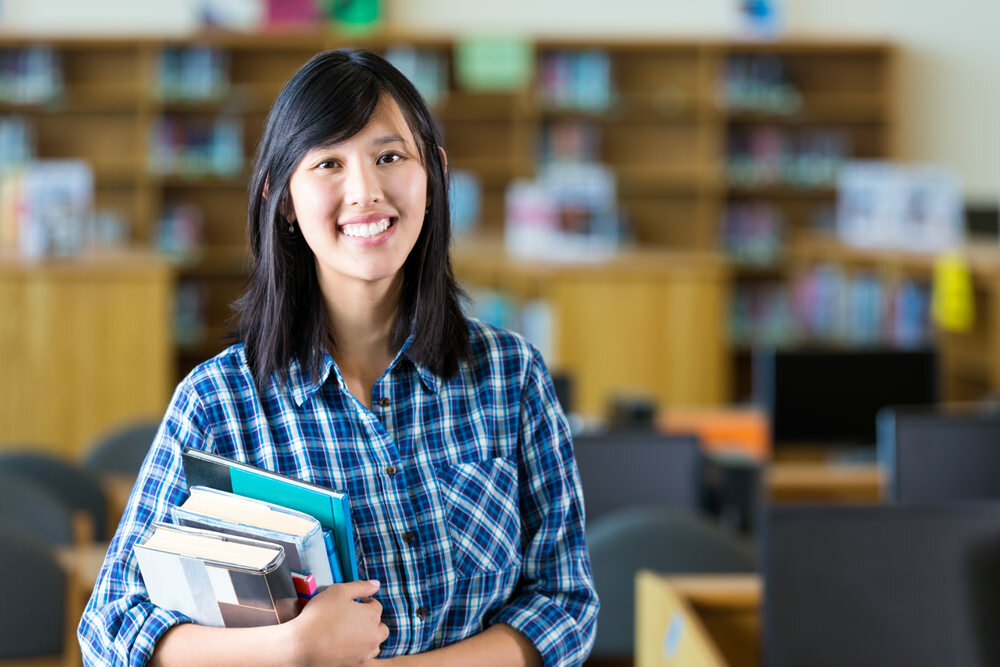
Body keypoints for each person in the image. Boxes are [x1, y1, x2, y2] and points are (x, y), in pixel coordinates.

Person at [78, 48, 598, 666]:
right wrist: (293, 648)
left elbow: (564, 603)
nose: (366, 191)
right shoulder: (219, 403)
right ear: (284, 199)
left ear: (434, 173)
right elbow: (110, 631)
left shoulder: (511, 377)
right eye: (328, 162)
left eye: (389, 156)